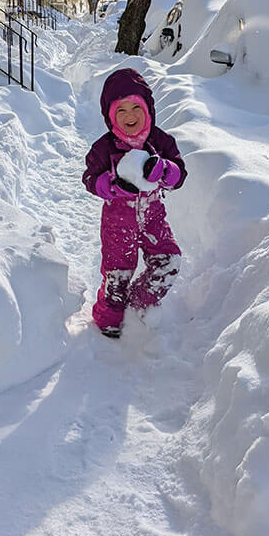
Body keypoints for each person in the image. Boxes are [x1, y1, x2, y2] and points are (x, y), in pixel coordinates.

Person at [82, 67, 187, 338]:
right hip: (118, 221)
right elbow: (90, 178)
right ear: (110, 117)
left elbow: (179, 174)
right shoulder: (104, 148)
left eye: (135, 107)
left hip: (153, 216)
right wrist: (111, 185)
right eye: (121, 111)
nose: (130, 116)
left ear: (148, 109)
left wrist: (164, 169)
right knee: (117, 275)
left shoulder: (160, 142)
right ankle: (109, 318)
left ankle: (141, 301)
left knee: (169, 260)